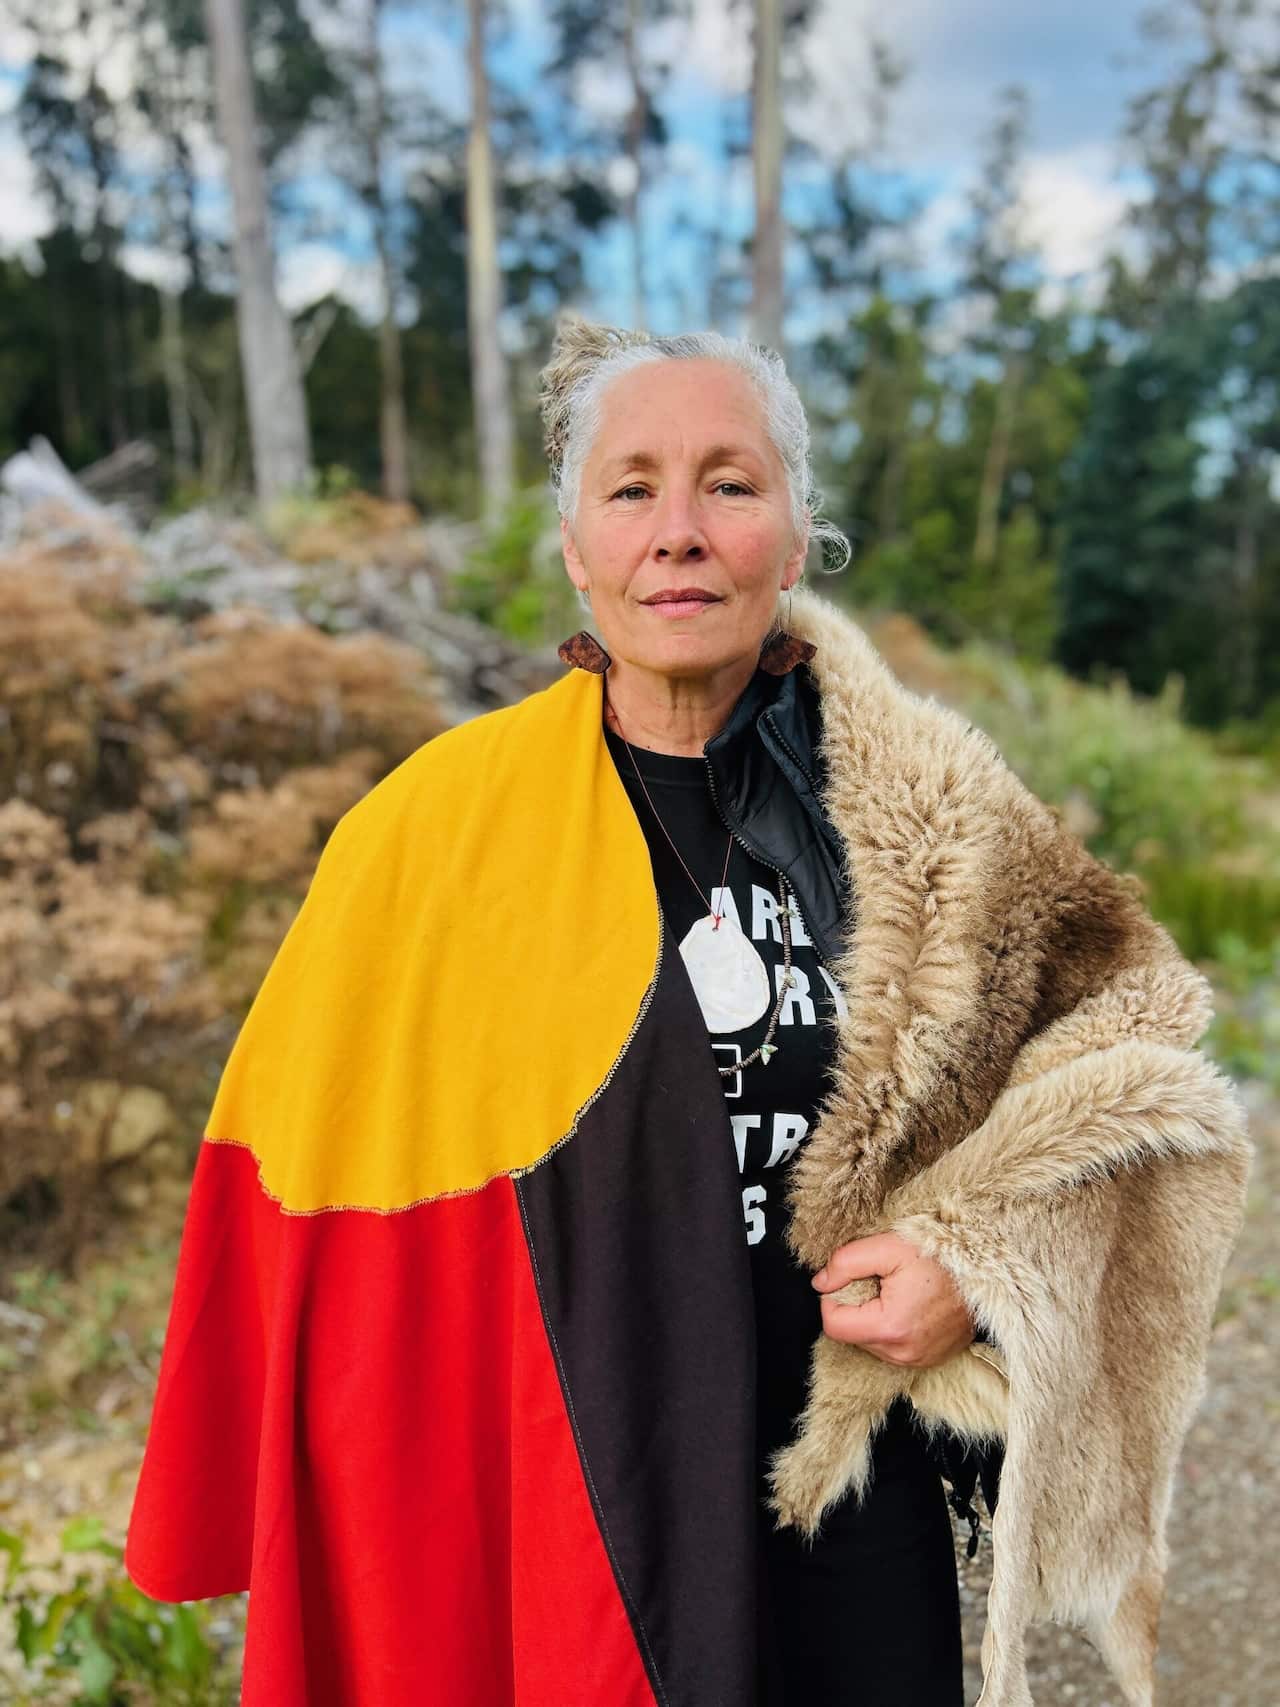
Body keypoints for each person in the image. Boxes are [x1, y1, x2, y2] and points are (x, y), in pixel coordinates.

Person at [125, 314, 1251, 1707]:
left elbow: (1137, 1066)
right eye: (632, 487)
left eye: (729, 483)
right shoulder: (424, 838)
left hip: (851, 1491)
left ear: (794, 537)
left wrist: (980, 1261)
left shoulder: (931, 808)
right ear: (575, 546)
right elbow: (302, 1197)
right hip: (575, 1483)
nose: (680, 530)